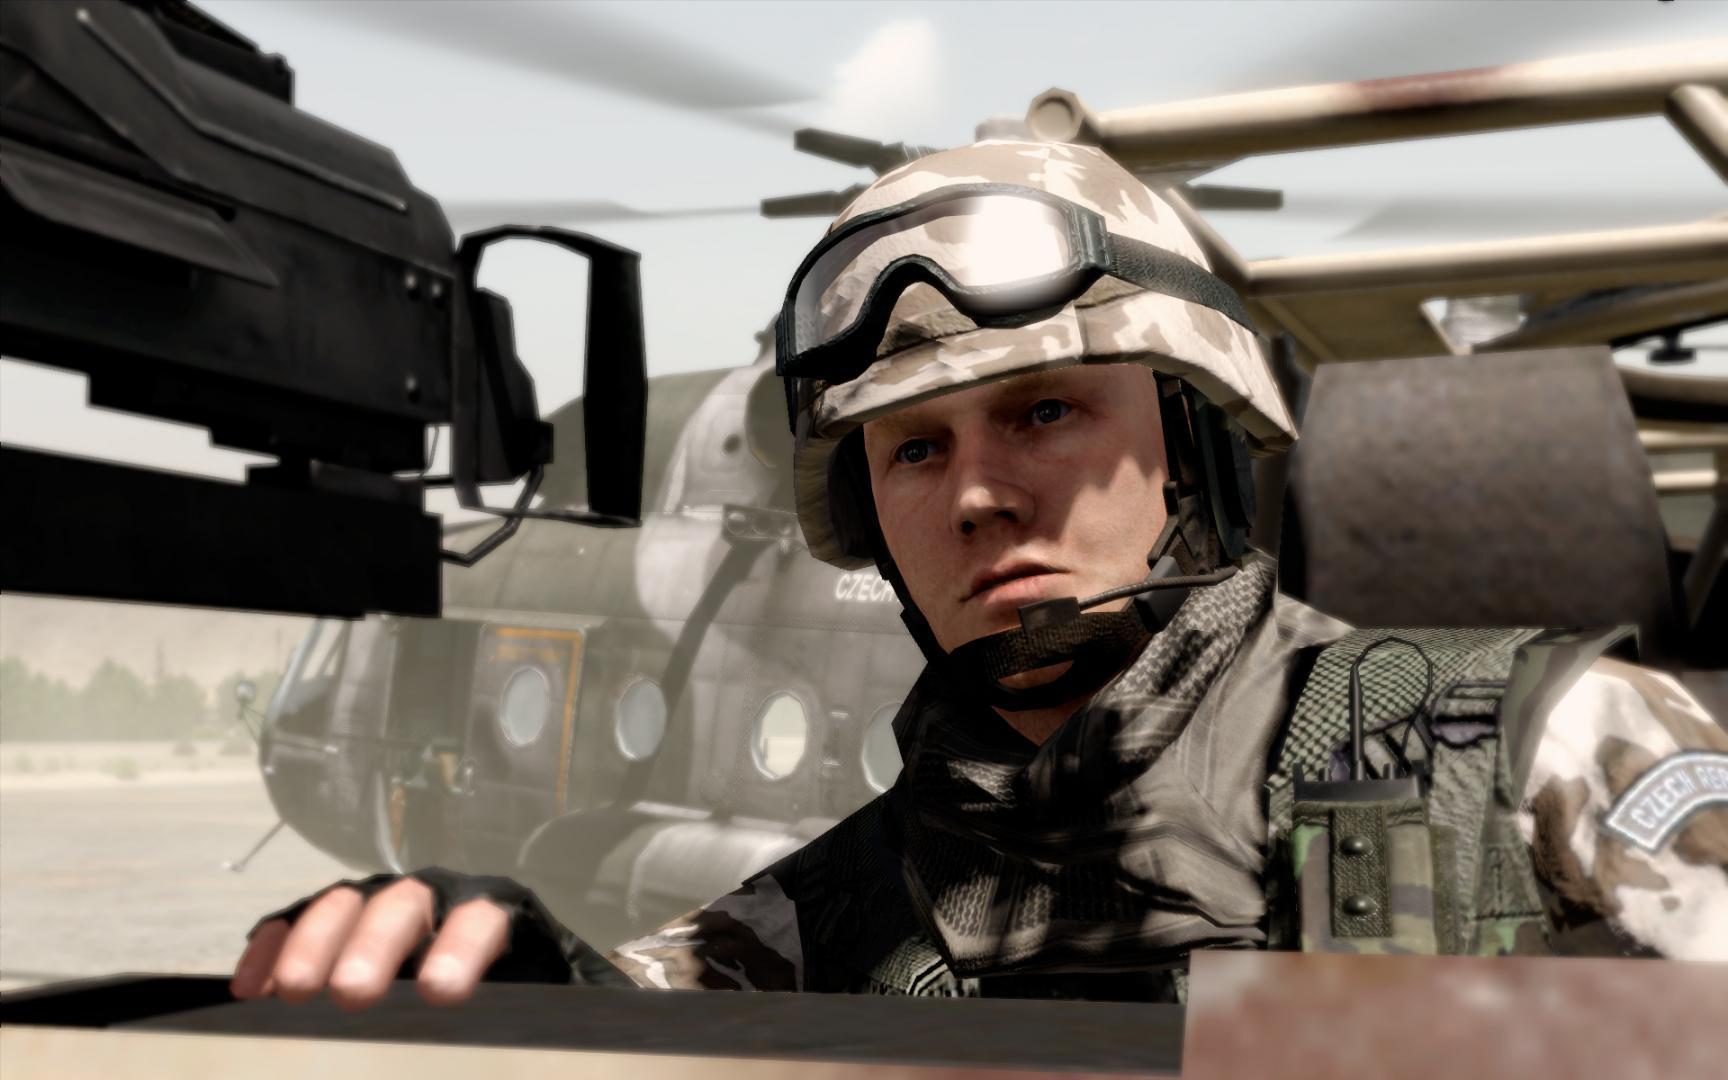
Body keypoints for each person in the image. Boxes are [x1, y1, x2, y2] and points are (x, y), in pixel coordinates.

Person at [231, 140, 1728, 1009]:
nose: (976, 496)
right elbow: (649, 1020)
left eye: (1047, 412)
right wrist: (507, 981)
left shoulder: (1540, 751)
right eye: (913, 450)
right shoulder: (829, 915)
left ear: (1193, 446)